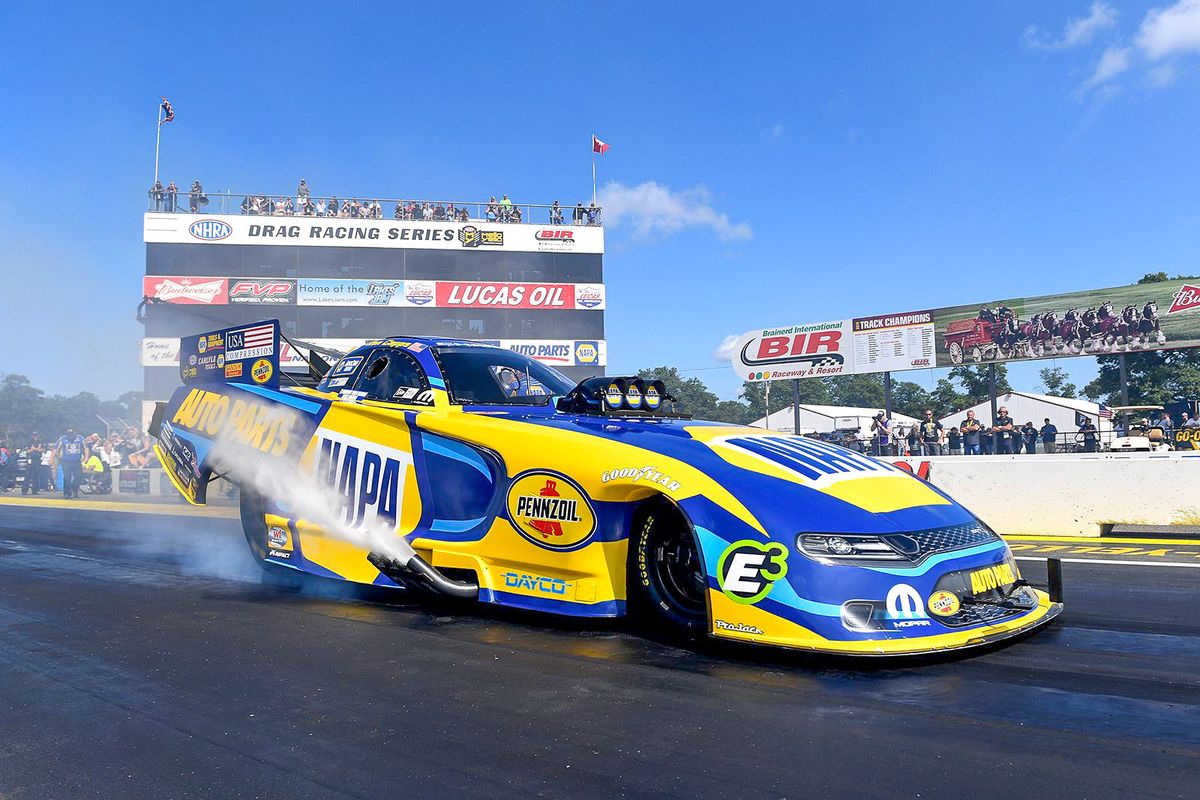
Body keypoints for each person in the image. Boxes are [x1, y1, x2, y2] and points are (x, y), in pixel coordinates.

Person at [56, 427, 86, 498]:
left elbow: (86, 448)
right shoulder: (62, 439)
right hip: (66, 462)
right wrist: (59, 456)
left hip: (77, 461)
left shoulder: (81, 438)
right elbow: (55, 449)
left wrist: (86, 458)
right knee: (67, 478)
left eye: (72, 434)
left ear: (75, 432)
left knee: (78, 476)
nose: (70, 436)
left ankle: (74, 489)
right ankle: (66, 493)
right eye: (69, 434)